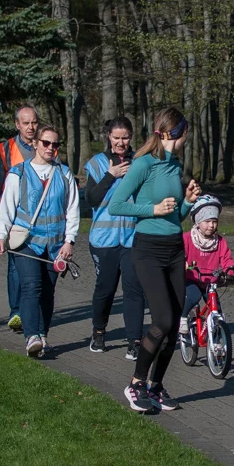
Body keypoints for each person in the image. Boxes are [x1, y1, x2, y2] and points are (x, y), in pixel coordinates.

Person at [107, 107, 201, 414]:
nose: (188, 136)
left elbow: (176, 217)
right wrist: (152, 210)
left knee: (174, 326)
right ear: (177, 132)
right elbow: (117, 205)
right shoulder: (143, 164)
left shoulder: (174, 164)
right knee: (162, 320)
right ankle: (136, 384)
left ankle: (156, 387)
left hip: (175, 248)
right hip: (147, 249)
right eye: (186, 131)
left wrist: (187, 201)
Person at [0, 124, 80, 359]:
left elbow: (72, 209)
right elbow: (6, 208)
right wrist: (1, 236)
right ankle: (31, 336)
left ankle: (42, 335)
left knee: (48, 291)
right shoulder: (18, 173)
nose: (51, 148)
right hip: (26, 242)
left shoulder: (64, 174)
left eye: (55, 144)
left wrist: (69, 241)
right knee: (32, 286)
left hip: (55, 245)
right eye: (46, 143)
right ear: (35, 144)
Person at [84, 116, 145, 358]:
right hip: (104, 239)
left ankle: (135, 341)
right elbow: (92, 199)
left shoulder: (140, 161)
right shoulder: (97, 163)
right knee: (105, 289)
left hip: (132, 238)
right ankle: (99, 332)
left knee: (134, 289)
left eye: (125, 138)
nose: (121, 142)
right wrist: (111, 176)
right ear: (108, 137)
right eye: (116, 137)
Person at [0, 105, 41, 333]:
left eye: (34, 123)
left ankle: (31, 311)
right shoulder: (6, 149)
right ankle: (16, 312)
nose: (31, 127)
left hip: (42, 220)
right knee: (15, 267)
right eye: (26, 123)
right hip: (15, 219)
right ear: (17, 125)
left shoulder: (47, 145)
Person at [180, 195, 234, 331]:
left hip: (210, 281)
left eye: (214, 221)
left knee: (217, 311)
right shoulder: (186, 239)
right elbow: (177, 256)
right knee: (193, 296)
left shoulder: (219, 242)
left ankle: (216, 342)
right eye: (207, 221)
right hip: (191, 279)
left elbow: (226, 261)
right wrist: (181, 264)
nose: (211, 225)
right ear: (197, 221)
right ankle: (182, 316)